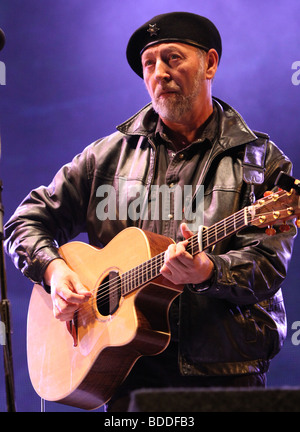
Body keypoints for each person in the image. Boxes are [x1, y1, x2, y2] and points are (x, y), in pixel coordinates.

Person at [4, 12, 296, 411]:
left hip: (226, 377)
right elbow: (26, 220)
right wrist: (55, 273)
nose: (160, 72)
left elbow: (268, 264)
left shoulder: (261, 163)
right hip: (127, 376)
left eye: (173, 58)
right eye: (149, 63)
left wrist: (208, 271)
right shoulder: (104, 157)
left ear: (210, 63)